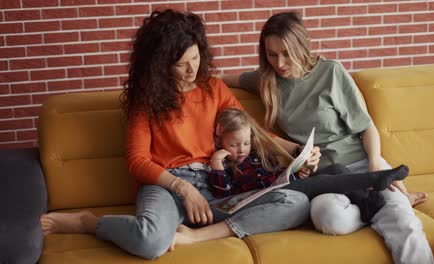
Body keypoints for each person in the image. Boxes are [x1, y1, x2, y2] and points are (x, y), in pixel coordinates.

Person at [40, 9, 317, 260]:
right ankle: (87, 223)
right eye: (182, 63)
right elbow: (137, 161)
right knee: (150, 242)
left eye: (195, 58)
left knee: (295, 202)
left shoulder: (214, 89)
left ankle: (198, 235)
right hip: (167, 187)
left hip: (217, 185)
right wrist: (183, 188)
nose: (192, 69)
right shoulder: (146, 100)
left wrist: (296, 151)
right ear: (160, 64)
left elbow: (254, 132)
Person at [220, 11, 434, 264]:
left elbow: (367, 127)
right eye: (272, 54)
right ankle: (378, 208)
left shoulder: (331, 72)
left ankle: (391, 206)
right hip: (323, 178)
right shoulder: (267, 80)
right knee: (327, 217)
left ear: (302, 46)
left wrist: (375, 161)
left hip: (361, 165)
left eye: (287, 53)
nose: (280, 63)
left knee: (404, 225)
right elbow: (221, 82)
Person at [207, 108, 409, 223]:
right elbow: (222, 194)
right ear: (220, 142)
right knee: (322, 181)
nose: (241, 149)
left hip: (287, 185)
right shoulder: (223, 167)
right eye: (233, 145)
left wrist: (296, 171)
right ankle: (375, 178)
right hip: (270, 198)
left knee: (337, 169)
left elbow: (274, 173)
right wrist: (217, 163)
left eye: (246, 143)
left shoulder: (254, 155)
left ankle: (366, 205)